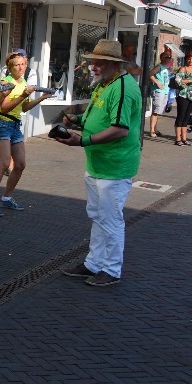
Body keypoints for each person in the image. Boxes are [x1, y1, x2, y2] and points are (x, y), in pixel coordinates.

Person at [57, 39, 142, 287]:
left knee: (110, 219)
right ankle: (93, 264)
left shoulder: (123, 88)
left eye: (97, 63)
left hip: (114, 166)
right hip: (98, 164)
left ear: (112, 65)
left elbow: (120, 129)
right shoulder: (105, 84)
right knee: (98, 216)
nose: (92, 67)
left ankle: (112, 269)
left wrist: (84, 141)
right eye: (92, 62)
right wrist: (78, 120)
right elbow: (99, 117)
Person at [0, 49, 52, 216]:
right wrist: (23, 95)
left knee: (20, 164)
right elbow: (4, 108)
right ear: (10, 67)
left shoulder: (23, 82)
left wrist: (41, 98)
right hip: (3, 123)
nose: (20, 68)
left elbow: (24, 107)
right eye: (17, 65)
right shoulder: (5, 82)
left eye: (23, 64)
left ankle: (6, 197)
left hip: (15, 125)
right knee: (4, 164)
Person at [172, 51, 192, 146]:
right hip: (184, 95)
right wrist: (190, 80)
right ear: (186, 59)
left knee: (186, 117)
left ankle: (184, 138)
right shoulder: (183, 69)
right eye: (189, 59)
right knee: (181, 116)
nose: (190, 60)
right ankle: (178, 139)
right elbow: (177, 81)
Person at [147, 50, 173, 138]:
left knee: (158, 112)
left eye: (170, 57)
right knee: (155, 111)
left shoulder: (166, 68)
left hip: (165, 91)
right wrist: (157, 83)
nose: (169, 59)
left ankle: (155, 128)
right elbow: (150, 74)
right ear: (162, 58)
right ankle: (152, 130)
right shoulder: (159, 67)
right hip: (158, 91)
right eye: (167, 57)